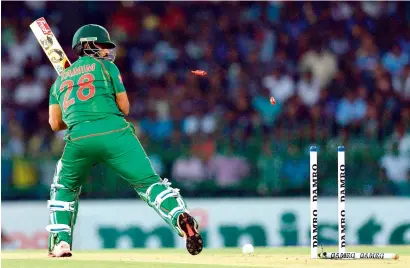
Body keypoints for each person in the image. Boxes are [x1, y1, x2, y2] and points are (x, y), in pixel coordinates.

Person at [46, 24, 202, 257]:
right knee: (149, 183)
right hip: (116, 133)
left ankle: (61, 242)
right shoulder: (107, 67)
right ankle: (179, 215)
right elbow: (124, 108)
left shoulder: (58, 83)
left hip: (79, 138)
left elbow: (55, 124)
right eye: (101, 45)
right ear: (86, 46)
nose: (106, 51)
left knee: (64, 188)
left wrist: (80, 113)